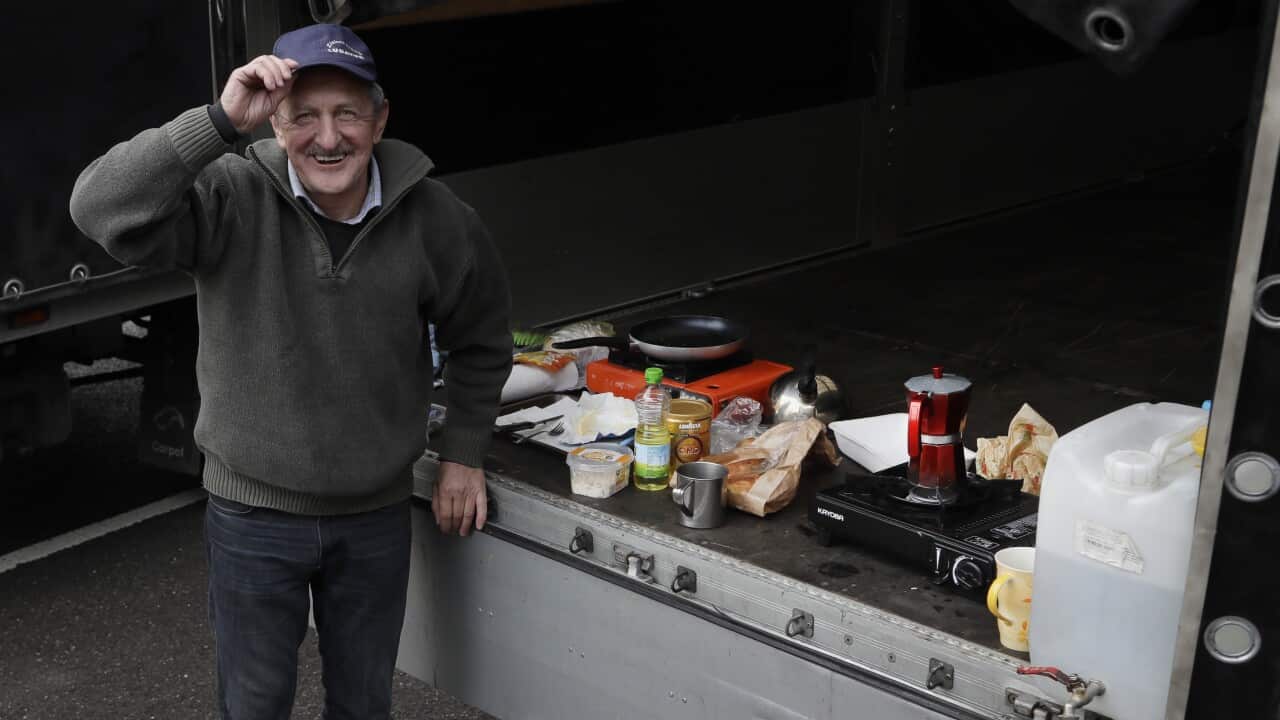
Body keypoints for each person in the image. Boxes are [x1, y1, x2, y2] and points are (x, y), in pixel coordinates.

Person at [69, 23, 512, 720]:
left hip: (374, 516)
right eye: (303, 115)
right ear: (274, 122)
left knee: (364, 705)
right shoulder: (228, 198)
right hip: (253, 514)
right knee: (254, 705)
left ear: (380, 118)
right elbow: (99, 208)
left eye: (346, 114)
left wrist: (463, 455)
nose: (327, 137)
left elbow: (482, 338)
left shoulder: (435, 216)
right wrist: (216, 123)